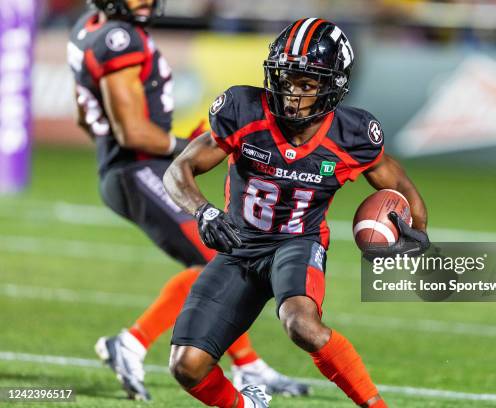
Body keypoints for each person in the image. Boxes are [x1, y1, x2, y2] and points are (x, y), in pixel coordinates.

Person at [163, 18, 429, 407]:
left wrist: (416, 234)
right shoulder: (244, 109)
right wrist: (203, 212)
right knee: (187, 366)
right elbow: (178, 170)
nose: (292, 95)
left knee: (301, 324)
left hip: (297, 243)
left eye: (307, 84)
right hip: (238, 245)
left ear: (332, 86)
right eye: (287, 79)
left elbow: (401, 189)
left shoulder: (351, 135)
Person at [67, 0, 308, 401]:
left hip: (128, 170)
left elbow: (83, 116)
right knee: (218, 261)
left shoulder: (89, 26)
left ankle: (248, 364)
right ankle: (131, 342)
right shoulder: (119, 38)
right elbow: (133, 134)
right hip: (138, 168)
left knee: (220, 261)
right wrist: (185, 147)